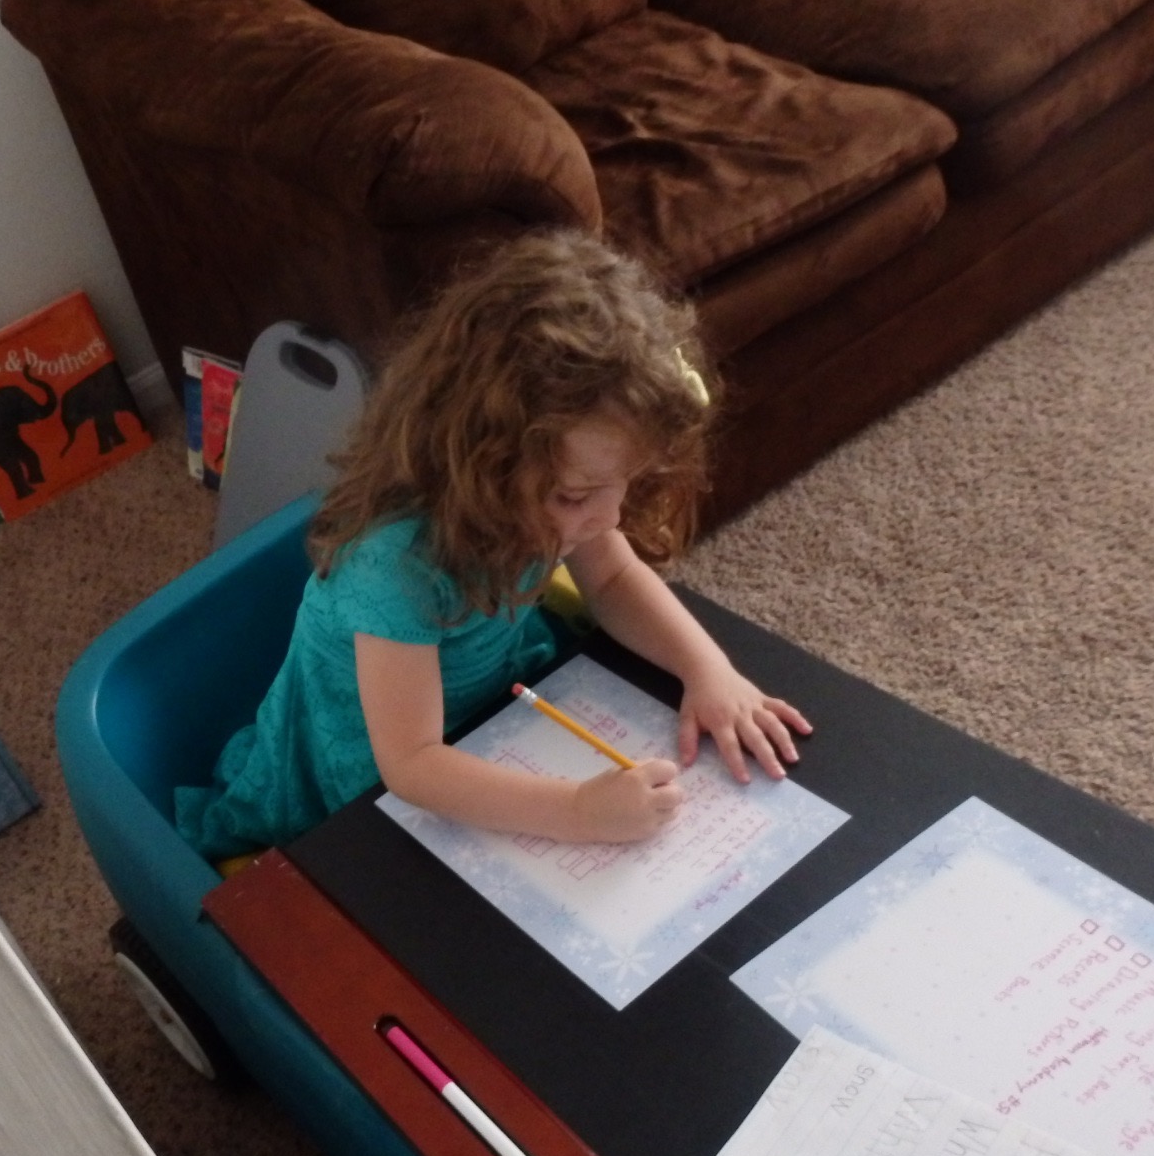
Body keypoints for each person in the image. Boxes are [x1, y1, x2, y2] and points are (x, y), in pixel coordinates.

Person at [176, 231, 810, 861]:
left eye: (624, 485)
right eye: (575, 495)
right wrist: (576, 813)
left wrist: (708, 671)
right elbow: (412, 765)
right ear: (484, 465)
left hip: (489, 710)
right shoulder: (394, 567)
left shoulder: (545, 490)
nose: (611, 514)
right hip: (372, 766)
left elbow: (613, 578)